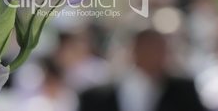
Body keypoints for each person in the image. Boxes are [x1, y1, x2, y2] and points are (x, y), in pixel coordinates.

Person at [78, 29, 207, 111]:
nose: (156, 56)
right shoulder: (96, 97)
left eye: (161, 50)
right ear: (135, 51)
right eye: (149, 49)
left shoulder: (183, 91)